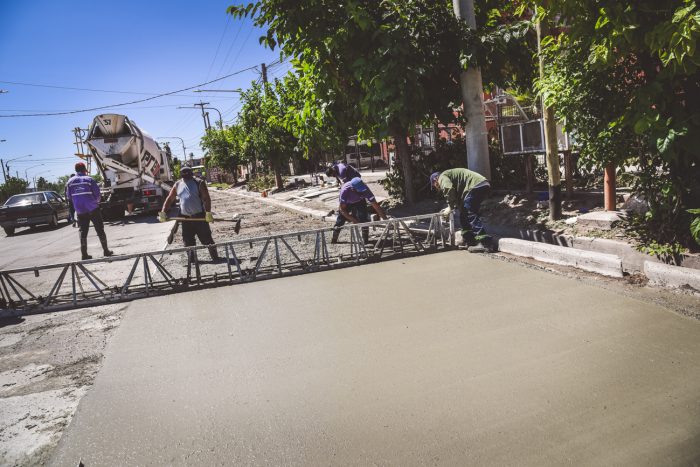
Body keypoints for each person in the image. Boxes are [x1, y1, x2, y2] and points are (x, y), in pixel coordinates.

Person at [159, 164, 219, 260]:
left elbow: (206, 198)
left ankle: (215, 257)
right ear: (182, 175)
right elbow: (170, 199)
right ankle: (192, 260)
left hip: (199, 217)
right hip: (185, 218)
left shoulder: (199, 182)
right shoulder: (178, 184)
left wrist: (208, 212)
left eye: (188, 174)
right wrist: (163, 212)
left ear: (191, 174)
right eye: (185, 175)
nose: (187, 177)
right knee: (188, 241)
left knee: (207, 239)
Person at [430, 168, 491, 253]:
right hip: (480, 185)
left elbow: (448, 188)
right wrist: (453, 208)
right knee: (463, 214)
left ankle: (486, 243)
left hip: (476, 185)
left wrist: (450, 207)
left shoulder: (442, 177)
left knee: (470, 213)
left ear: (435, 180)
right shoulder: (452, 179)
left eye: (435, 185)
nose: (437, 188)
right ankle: (469, 240)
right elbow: (458, 200)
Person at [65, 163, 114, 260]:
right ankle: (106, 251)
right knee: (99, 228)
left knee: (83, 231)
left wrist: (77, 202)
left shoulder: (69, 182)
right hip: (92, 208)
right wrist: (95, 202)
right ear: (84, 170)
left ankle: (84, 254)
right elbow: (97, 194)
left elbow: (69, 197)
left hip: (80, 210)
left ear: (76, 170)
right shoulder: (89, 179)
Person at [332, 177, 387, 244]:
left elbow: (375, 205)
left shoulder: (365, 189)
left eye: (362, 190)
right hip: (347, 203)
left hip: (360, 201)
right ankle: (334, 239)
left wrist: (386, 220)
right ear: (353, 189)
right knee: (341, 219)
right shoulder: (345, 191)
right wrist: (353, 219)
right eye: (359, 191)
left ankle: (365, 240)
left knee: (363, 217)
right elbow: (342, 209)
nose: (362, 192)